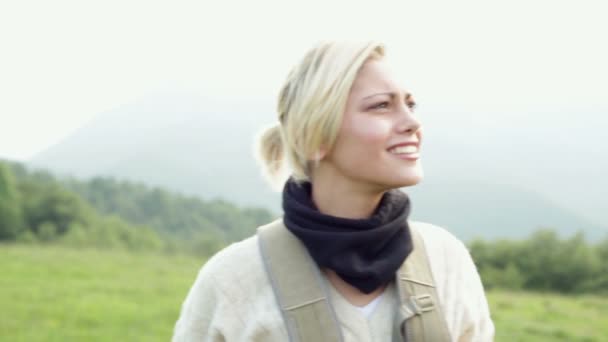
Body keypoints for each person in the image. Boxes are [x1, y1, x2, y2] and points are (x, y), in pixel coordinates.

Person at [172, 41, 495, 341]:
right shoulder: (233, 279)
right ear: (315, 138)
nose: (412, 122)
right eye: (382, 106)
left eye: (411, 104)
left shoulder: (446, 259)